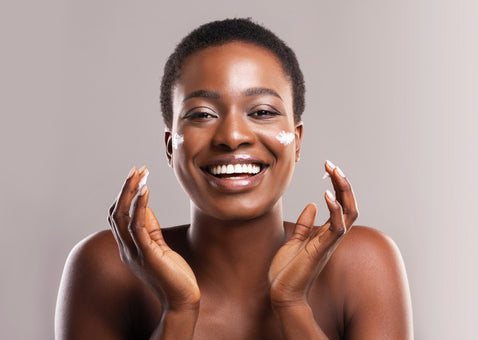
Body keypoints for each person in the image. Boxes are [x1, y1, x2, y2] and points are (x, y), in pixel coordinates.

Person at [55, 18, 413, 339]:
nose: (232, 135)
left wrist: (291, 306)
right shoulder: (107, 268)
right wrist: (178, 311)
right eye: (202, 114)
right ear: (170, 146)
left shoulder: (362, 264)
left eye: (261, 112)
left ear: (297, 140)